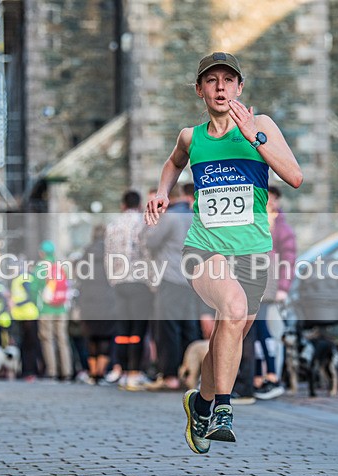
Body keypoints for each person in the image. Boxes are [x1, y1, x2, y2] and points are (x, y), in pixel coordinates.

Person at [145, 52, 303, 454]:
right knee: (231, 309)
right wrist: (163, 192)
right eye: (211, 80)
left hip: (252, 253)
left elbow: (295, 177)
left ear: (239, 88)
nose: (220, 87)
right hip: (204, 248)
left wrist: (256, 138)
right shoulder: (190, 136)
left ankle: (200, 402)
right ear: (199, 90)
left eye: (228, 80)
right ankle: (223, 410)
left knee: (229, 335)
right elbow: (173, 163)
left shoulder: (261, 125)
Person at [143, 185, 200, 391]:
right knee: (189, 328)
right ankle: (190, 374)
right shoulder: (195, 215)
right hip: (193, 279)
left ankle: (170, 376)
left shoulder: (170, 217)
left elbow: (151, 242)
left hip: (171, 277)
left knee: (168, 328)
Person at [106, 190, 154, 391]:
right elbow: (148, 251)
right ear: (140, 203)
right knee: (138, 330)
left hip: (119, 281)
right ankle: (135, 372)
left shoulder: (113, 225)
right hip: (139, 280)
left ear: (122, 204)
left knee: (123, 330)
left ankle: (123, 370)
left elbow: (107, 254)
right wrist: (153, 280)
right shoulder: (143, 223)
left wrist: (112, 278)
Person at [252, 185, 294, 400]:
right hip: (254, 283)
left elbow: (288, 259)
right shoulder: (257, 219)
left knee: (264, 331)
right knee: (258, 332)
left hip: (269, 287)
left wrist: (284, 288)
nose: (271, 203)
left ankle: (271, 376)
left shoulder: (281, 227)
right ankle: (260, 375)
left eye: (273, 199)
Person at [77, 225, 117, 384]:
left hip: (88, 301)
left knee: (91, 338)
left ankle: (93, 373)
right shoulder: (111, 253)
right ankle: (101, 373)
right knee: (105, 338)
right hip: (107, 301)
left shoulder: (86, 252)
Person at [33, 240, 73, 381]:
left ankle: (52, 371)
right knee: (63, 339)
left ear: (41, 252)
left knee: (48, 339)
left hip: (46, 309)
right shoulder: (60, 266)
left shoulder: (41, 267)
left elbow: (34, 288)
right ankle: (67, 371)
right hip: (61, 309)